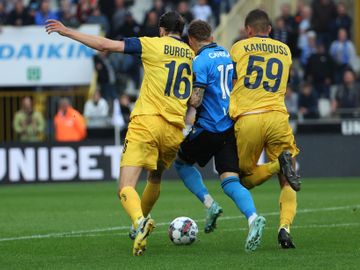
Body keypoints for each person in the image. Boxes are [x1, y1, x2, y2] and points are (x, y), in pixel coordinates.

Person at [45, 11, 194, 256]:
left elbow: (105, 44)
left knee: (125, 187)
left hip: (147, 122)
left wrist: (67, 31)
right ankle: (139, 226)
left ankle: (140, 222)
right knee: (155, 178)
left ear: (162, 30)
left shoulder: (152, 43)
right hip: (175, 129)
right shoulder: (191, 55)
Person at [172, 20, 265, 252]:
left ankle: (209, 204)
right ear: (211, 36)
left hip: (208, 128)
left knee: (181, 163)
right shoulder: (224, 52)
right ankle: (253, 218)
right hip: (228, 127)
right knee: (230, 180)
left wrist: (177, 99)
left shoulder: (199, 60)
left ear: (191, 40)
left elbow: (197, 99)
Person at [230, 9, 301, 249]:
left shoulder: (239, 48)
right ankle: (285, 227)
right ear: (269, 30)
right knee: (287, 181)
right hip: (277, 117)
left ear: (248, 30)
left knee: (240, 180)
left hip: (248, 118)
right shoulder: (285, 51)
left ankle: (274, 164)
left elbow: (230, 80)